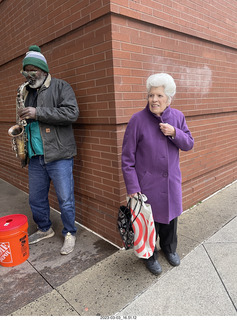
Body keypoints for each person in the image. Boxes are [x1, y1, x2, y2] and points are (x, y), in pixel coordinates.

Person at [121, 73, 194, 275]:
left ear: (169, 98)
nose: (154, 100)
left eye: (159, 95)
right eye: (151, 95)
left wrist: (174, 133)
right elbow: (127, 159)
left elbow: (189, 143)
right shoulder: (137, 120)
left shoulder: (177, 117)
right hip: (147, 185)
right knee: (148, 224)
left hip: (170, 183)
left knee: (170, 221)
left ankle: (169, 250)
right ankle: (150, 255)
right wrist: (133, 187)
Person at [18, 45, 79, 255]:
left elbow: (72, 113)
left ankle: (70, 232)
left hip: (59, 154)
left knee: (65, 198)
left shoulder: (61, 87)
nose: (29, 74)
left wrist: (38, 112)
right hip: (35, 156)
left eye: (33, 69)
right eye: (26, 70)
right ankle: (45, 229)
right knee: (35, 198)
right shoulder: (25, 91)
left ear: (43, 70)